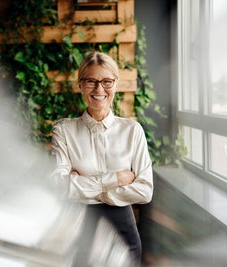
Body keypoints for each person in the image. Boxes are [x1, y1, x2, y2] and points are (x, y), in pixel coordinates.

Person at [51, 51, 153, 266]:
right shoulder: (64, 130)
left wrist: (82, 187)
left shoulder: (132, 130)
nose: (99, 89)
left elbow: (145, 191)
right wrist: (115, 179)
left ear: (116, 84)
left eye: (107, 81)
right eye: (91, 81)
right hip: (78, 228)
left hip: (122, 230)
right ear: (81, 85)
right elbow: (59, 186)